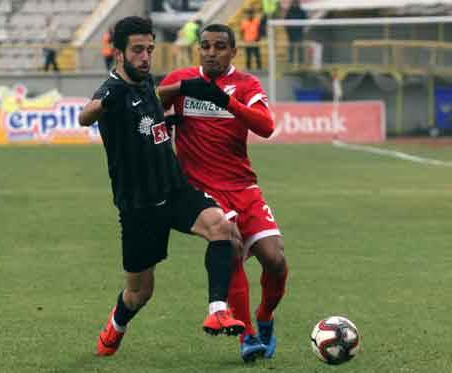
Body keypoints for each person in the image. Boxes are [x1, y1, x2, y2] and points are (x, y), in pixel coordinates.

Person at [77, 16, 245, 357]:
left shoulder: (145, 84)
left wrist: (174, 111)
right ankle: (116, 325)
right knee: (139, 294)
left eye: (150, 49)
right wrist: (103, 105)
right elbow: (85, 115)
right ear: (119, 53)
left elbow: (151, 117)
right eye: (137, 50)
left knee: (223, 228)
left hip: (173, 190)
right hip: (139, 206)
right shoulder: (113, 90)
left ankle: (217, 310)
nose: (145, 56)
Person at [158, 23, 288, 362]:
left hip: (244, 186)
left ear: (233, 51)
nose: (211, 52)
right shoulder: (183, 78)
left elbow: (266, 126)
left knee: (275, 260)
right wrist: (175, 97)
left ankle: (264, 317)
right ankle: (247, 336)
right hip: (203, 190)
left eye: (219, 46)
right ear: (198, 49)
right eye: (205, 46)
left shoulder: (245, 85)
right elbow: (154, 102)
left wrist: (225, 100)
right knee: (230, 250)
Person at [285, 0, 307, 64]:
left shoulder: (302, 12)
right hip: (291, 34)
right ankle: (290, 61)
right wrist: (288, 32)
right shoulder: (289, 12)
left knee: (300, 48)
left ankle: (301, 61)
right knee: (291, 48)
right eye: (294, 3)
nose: (295, 4)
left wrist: (301, 30)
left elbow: (305, 21)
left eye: (296, 3)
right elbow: (286, 23)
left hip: (299, 33)